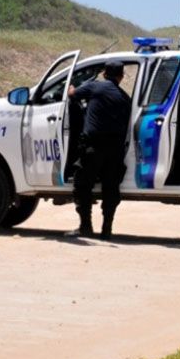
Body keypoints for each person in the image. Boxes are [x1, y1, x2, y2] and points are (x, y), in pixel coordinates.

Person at [66, 60, 131, 239]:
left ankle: (85, 226)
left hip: (93, 147)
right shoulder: (125, 98)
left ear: (104, 74)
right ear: (121, 77)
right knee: (111, 188)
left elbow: (71, 94)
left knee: (82, 184)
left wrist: (73, 85)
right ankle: (107, 229)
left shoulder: (95, 87)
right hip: (115, 150)